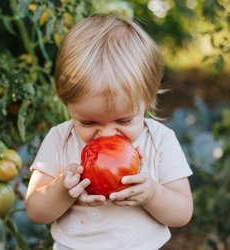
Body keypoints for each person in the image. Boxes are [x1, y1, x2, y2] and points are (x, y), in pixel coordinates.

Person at [25, 14, 193, 250]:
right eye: (88, 123)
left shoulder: (160, 141)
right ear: (68, 106)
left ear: (147, 100)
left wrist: (153, 194)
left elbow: (182, 213)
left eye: (124, 120)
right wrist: (63, 191)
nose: (105, 135)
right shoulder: (60, 139)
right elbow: (35, 210)